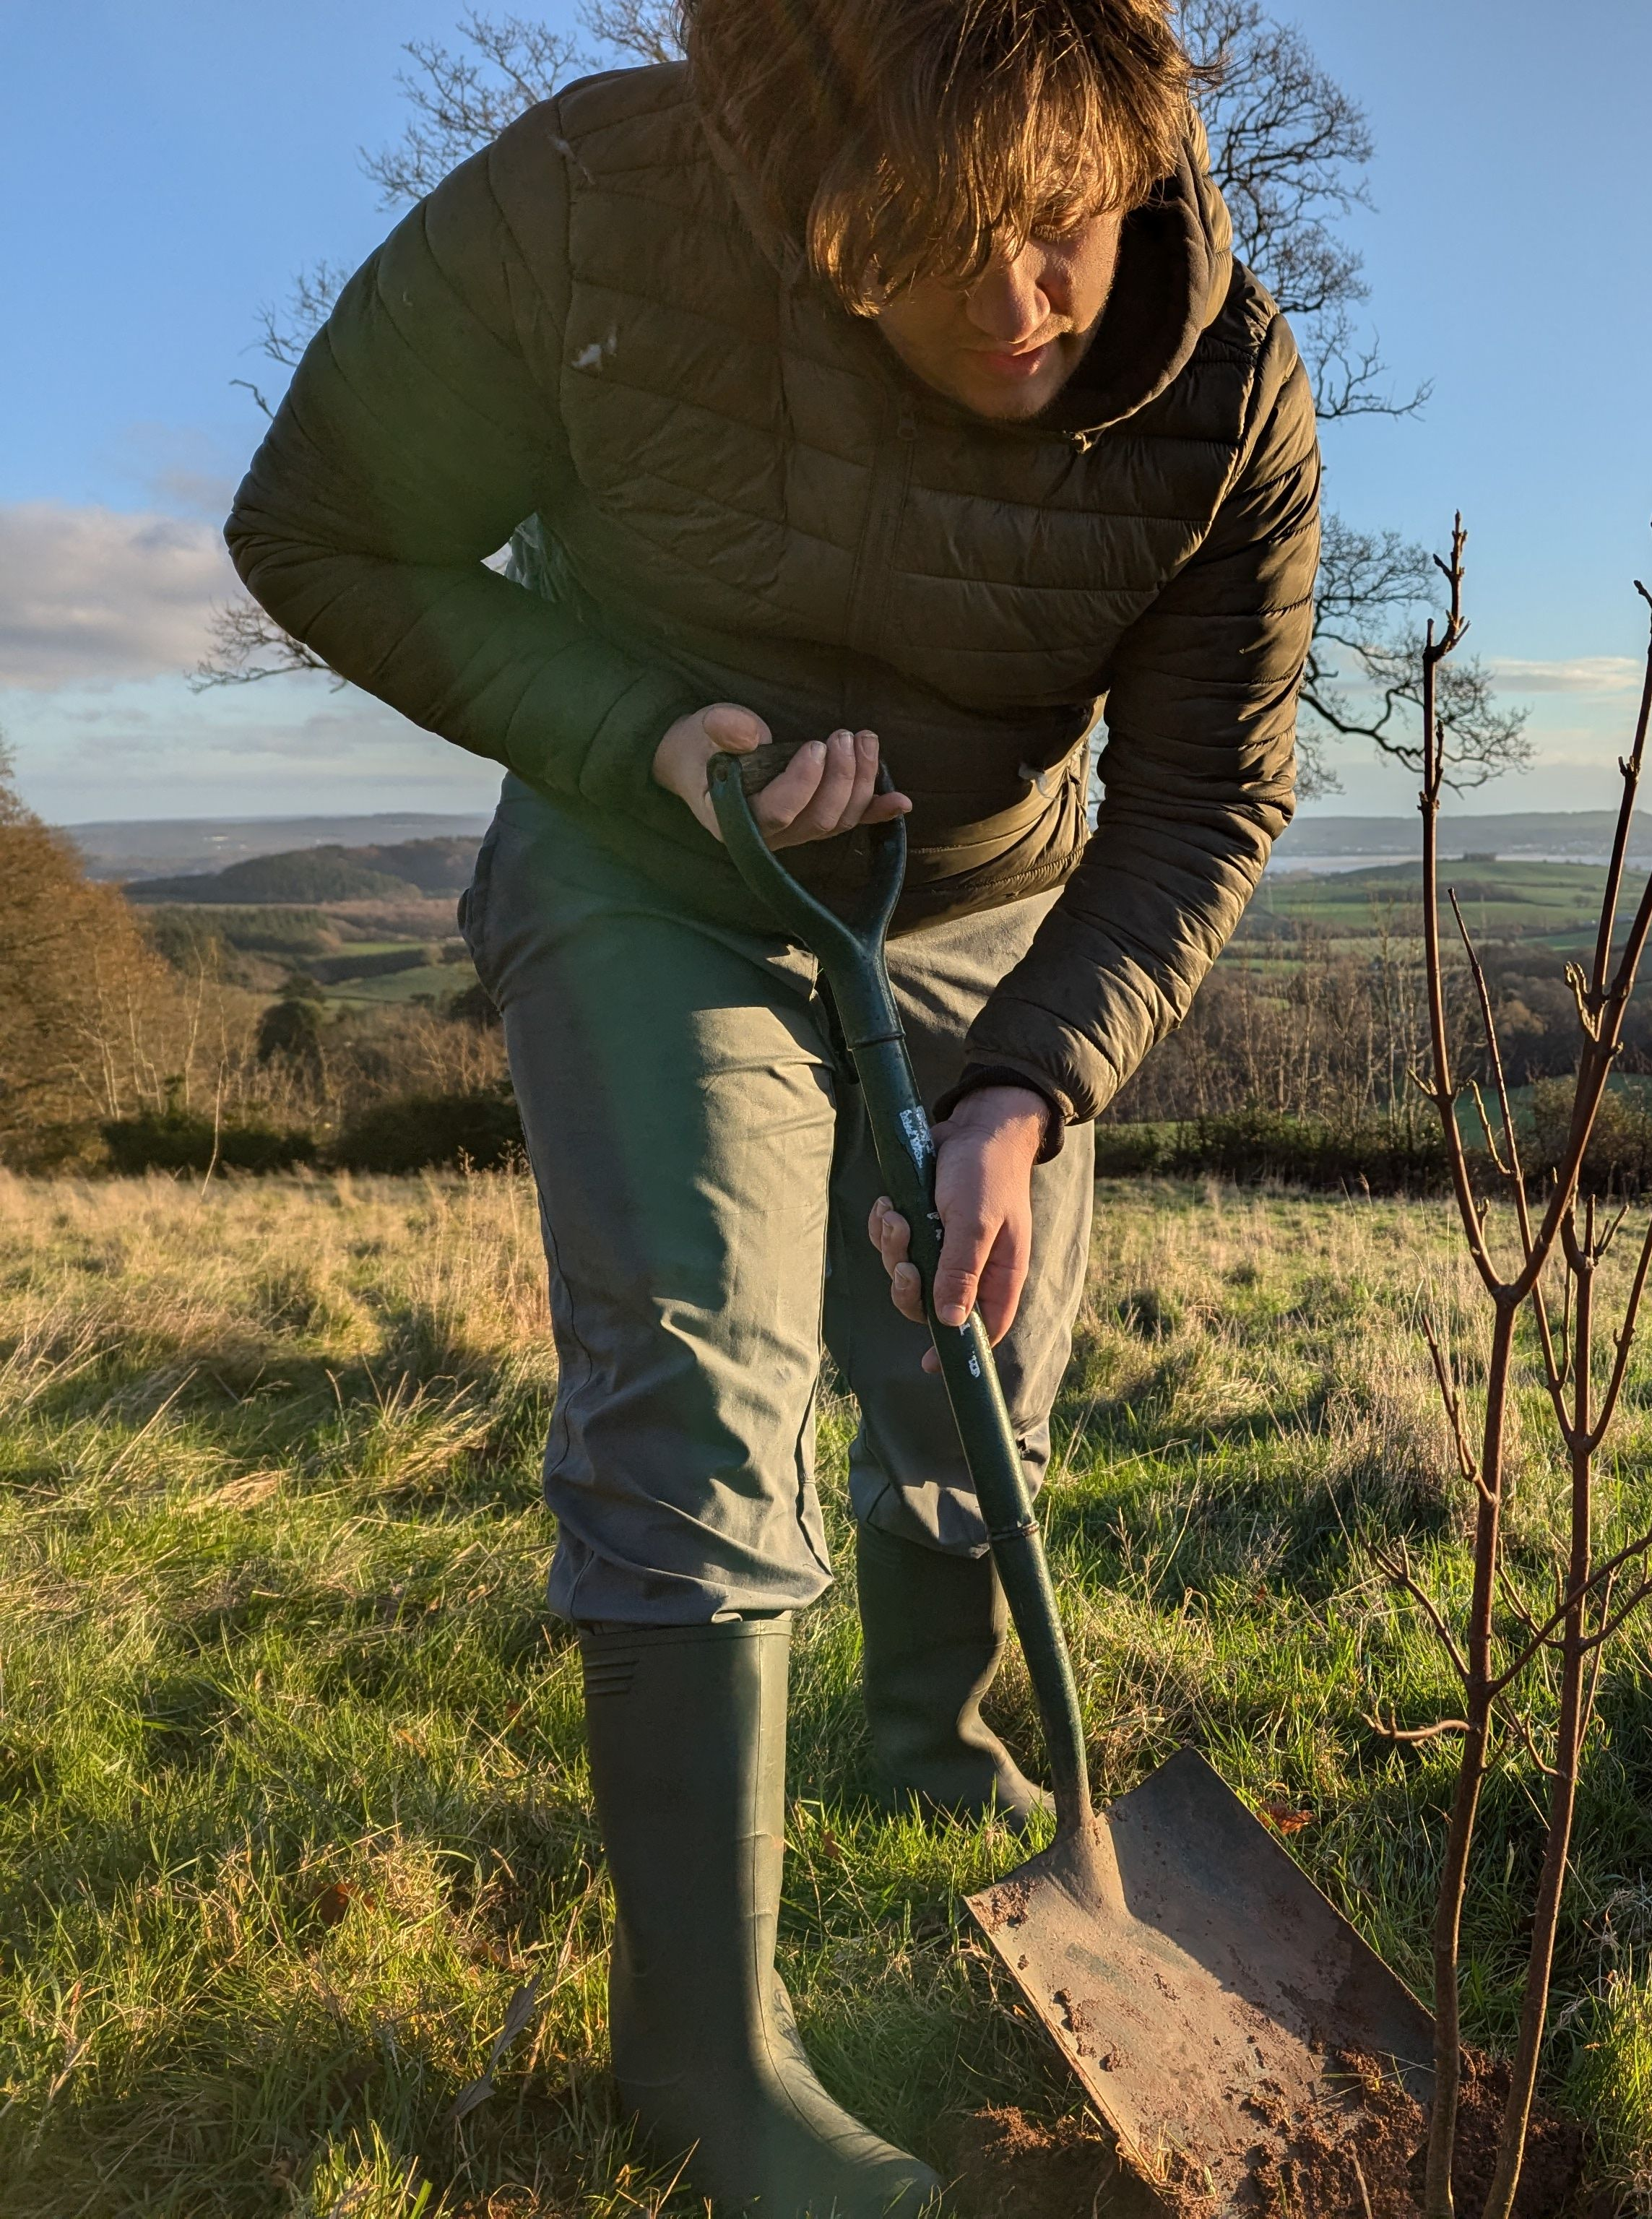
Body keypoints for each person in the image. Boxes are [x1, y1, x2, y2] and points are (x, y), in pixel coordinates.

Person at [225, 0, 1315, 2207]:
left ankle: (932, 1754)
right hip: (653, 868)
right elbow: (323, 529)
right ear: (807, 203)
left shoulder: (1229, 394)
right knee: (706, 1374)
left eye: (1068, 229)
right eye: (938, 248)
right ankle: (706, 2060)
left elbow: (1208, 791)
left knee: (975, 1355)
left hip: (988, 910)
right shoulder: (590, 210)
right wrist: (642, 729)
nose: (1023, 305)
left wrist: (1028, 1086)